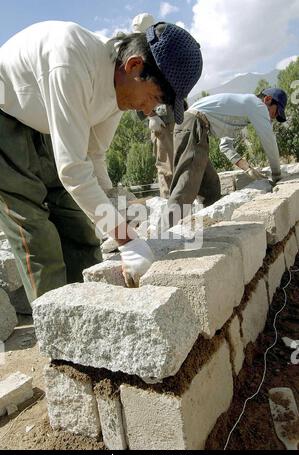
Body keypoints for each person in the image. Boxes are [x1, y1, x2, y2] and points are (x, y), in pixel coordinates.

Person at [0, 20, 203, 298]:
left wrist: (115, 216)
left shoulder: (120, 90)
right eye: (154, 98)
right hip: (5, 116)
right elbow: (72, 170)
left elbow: (93, 156)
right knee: (37, 233)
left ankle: (92, 302)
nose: (147, 112)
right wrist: (127, 240)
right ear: (134, 66)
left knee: (78, 223)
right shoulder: (72, 63)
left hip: (43, 118)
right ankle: (59, 327)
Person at [168, 88, 288, 213]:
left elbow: (225, 146)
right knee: (186, 185)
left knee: (211, 187)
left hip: (196, 129)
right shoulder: (256, 104)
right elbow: (269, 141)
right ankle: (168, 229)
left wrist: (247, 168)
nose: (274, 118)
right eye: (276, 112)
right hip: (192, 126)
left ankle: (211, 223)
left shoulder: (240, 111)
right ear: (267, 99)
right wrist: (277, 175)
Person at [132, 13, 176, 199]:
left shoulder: (164, 50)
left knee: (184, 162)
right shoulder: (138, 55)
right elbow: (134, 90)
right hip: (161, 121)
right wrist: (151, 116)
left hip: (176, 115)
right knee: (167, 167)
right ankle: (172, 208)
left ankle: (186, 204)